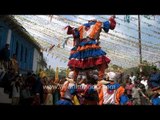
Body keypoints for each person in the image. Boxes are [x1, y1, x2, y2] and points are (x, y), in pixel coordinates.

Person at [65, 16, 116, 81]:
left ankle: (74, 79)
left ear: (88, 21)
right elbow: (110, 25)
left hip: (82, 47)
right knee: (102, 61)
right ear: (94, 20)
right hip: (92, 45)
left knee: (78, 63)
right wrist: (112, 18)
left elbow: (75, 34)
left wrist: (75, 48)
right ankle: (100, 80)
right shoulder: (98, 23)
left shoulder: (81, 27)